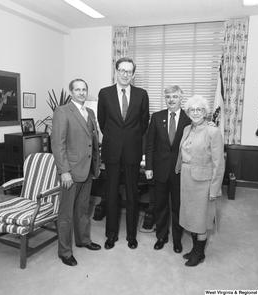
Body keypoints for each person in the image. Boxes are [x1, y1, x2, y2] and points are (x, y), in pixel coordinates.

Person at [97, 57, 149, 250]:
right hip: (112, 150)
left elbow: (144, 124)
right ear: (116, 71)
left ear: (133, 74)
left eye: (129, 71)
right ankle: (111, 235)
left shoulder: (142, 94)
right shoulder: (105, 93)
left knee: (132, 195)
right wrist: (116, 137)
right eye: (122, 70)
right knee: (111, 194)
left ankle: (131, 235)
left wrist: (130, 139)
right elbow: (102, 122)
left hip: (132, 151)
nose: (125, 74)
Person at [51, 79, 101, 267]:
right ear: (71, 92)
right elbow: (58, 144)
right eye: (77, 89)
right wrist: (64, 171)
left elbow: (92, 142)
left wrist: (96, 165)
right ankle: (64, 251)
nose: (81, 92)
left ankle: (83, 241)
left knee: (82, 211)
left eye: (84, 89)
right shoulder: (62, 111)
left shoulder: (90, 112)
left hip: (87, 170)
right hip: (70, 172)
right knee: (66, 214)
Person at [175, 95, 224, 267]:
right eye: (192, 110)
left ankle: (199, 253)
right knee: (190, 216)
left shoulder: (213, 132)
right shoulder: (187, 129)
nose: (195, 113)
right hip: (187, 178)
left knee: (201, 218)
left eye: (199, 109)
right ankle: (195, 248)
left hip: (203, 182)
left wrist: (214, 189)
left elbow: (219, 164)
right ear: (188, 112)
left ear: (205, 112)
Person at [145, 85, 191, 254]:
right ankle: (161, 236)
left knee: (178, 207)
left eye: (175, 96)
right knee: (160, 205)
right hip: (160, 170)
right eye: (168, 97)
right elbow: (150, 145)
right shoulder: (156, 117)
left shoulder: (189, 118)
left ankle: (177, 240)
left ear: (181, 98)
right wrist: (149, 167)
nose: (171, 100)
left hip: (181, 171)